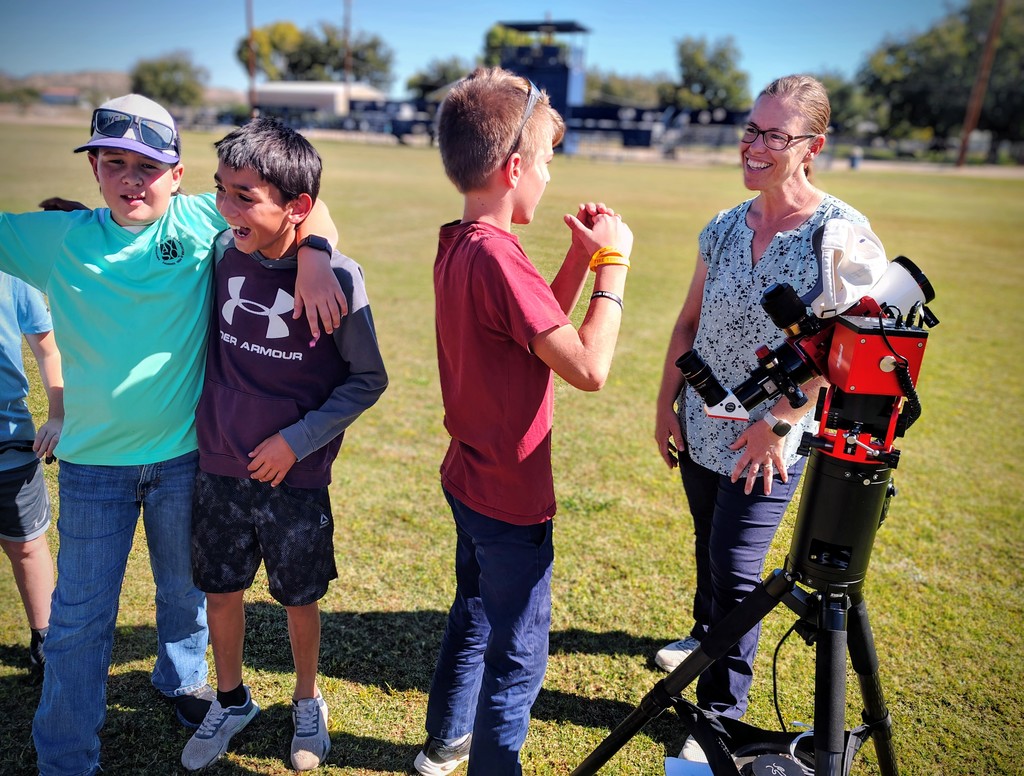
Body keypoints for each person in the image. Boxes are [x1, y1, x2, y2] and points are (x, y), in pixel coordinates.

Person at [0, 93, 344, 776]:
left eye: (148, 167)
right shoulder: (58, 240)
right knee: (78, 623)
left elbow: (307, 200)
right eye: (115, 163)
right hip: (95, 467)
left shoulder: (200, 221)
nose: (132, 179)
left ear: (179, 174)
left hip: (188, 458)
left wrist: (316, 254)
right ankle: (66, 758)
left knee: (184, 588)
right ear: (94, 168)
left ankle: (182, 677)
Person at [415, 67, 635, 776]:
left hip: (470, 478)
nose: (547, 175)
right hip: (511, 497)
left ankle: (444, 743)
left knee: (473, 616)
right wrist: (613, 269)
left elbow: (531, 330)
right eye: (544, 162)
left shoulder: (465, 241)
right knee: (518, 653)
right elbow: (586, 368)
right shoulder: (498, 258)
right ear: (514, 168)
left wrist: (575, 256)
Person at [652, 75, 871, 762]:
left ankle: (719, 713)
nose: (754, 144)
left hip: (772, 439)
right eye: (751, 129)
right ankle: (702, 636)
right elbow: (689, 322)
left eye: (775, 135)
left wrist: (778, 419)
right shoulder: (723, 225)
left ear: (813, 146)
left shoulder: (840, 234)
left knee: (737, 571)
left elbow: (847, 349)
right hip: (702, 422)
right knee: (706, 546)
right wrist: (666, 401)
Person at [179, 118, 388, 772]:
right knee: (220, 592)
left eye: (246, 196)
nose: (227, 207)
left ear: (295, 207)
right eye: (223, 191)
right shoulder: (219, 251)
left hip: (295, 479)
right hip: (218, 463)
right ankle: (232, 697)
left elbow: (368, 379)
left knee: (300, 600)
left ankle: (306, 702)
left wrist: (297, 443)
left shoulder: (340, 281)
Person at [0, 271, 62, 681]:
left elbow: (47, 349)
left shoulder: (9, 268)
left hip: (9, 442)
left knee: (25, 543)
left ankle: (47, 638)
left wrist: (58, 413)